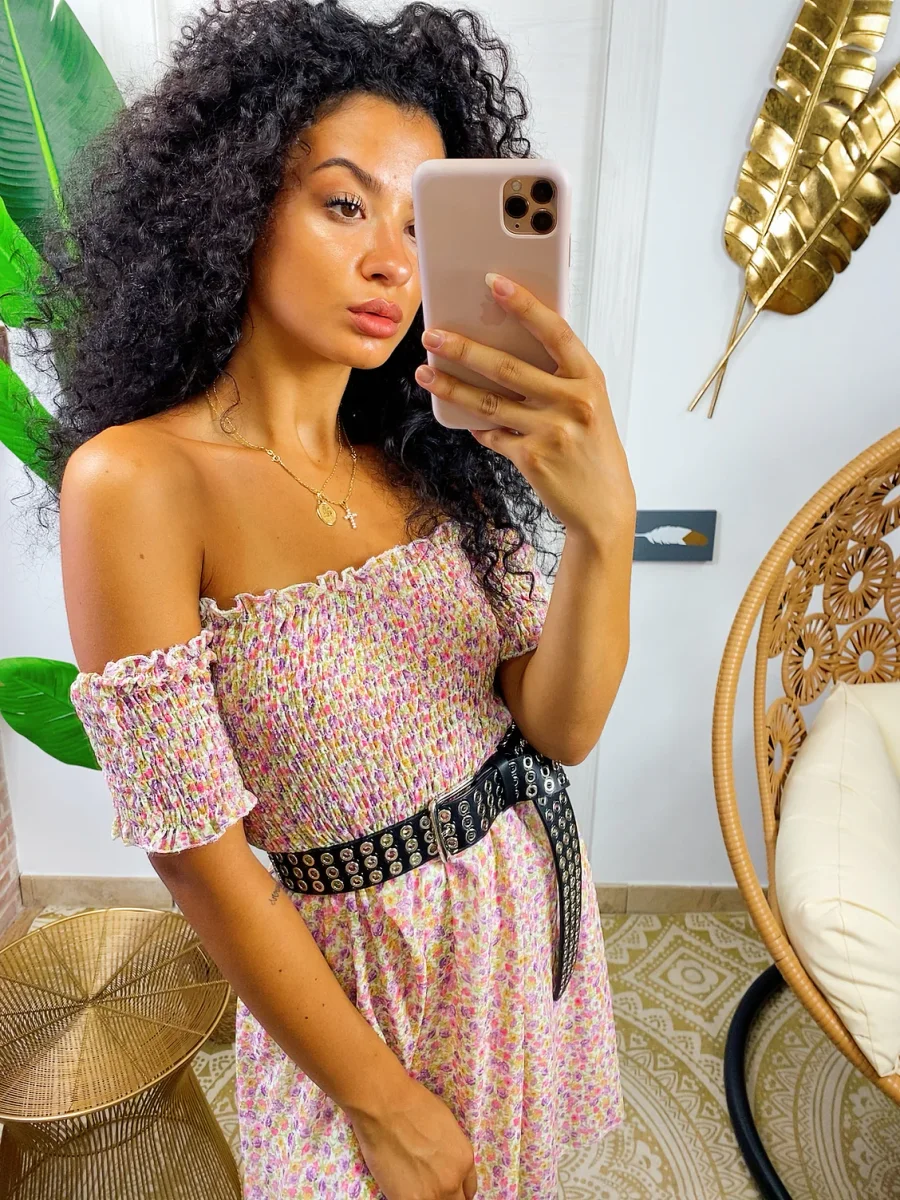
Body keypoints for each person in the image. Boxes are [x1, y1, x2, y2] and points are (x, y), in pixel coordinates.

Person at [27, 1, 634, 1195]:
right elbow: (199, 859)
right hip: (360, 997)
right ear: (236, 200)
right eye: (346, 204)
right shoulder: (139, 482)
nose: (393, 264)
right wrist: (383, 1105)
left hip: (516, 931)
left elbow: (557, 729)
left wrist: (603, 532)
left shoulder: (434, 456)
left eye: (419, 224)